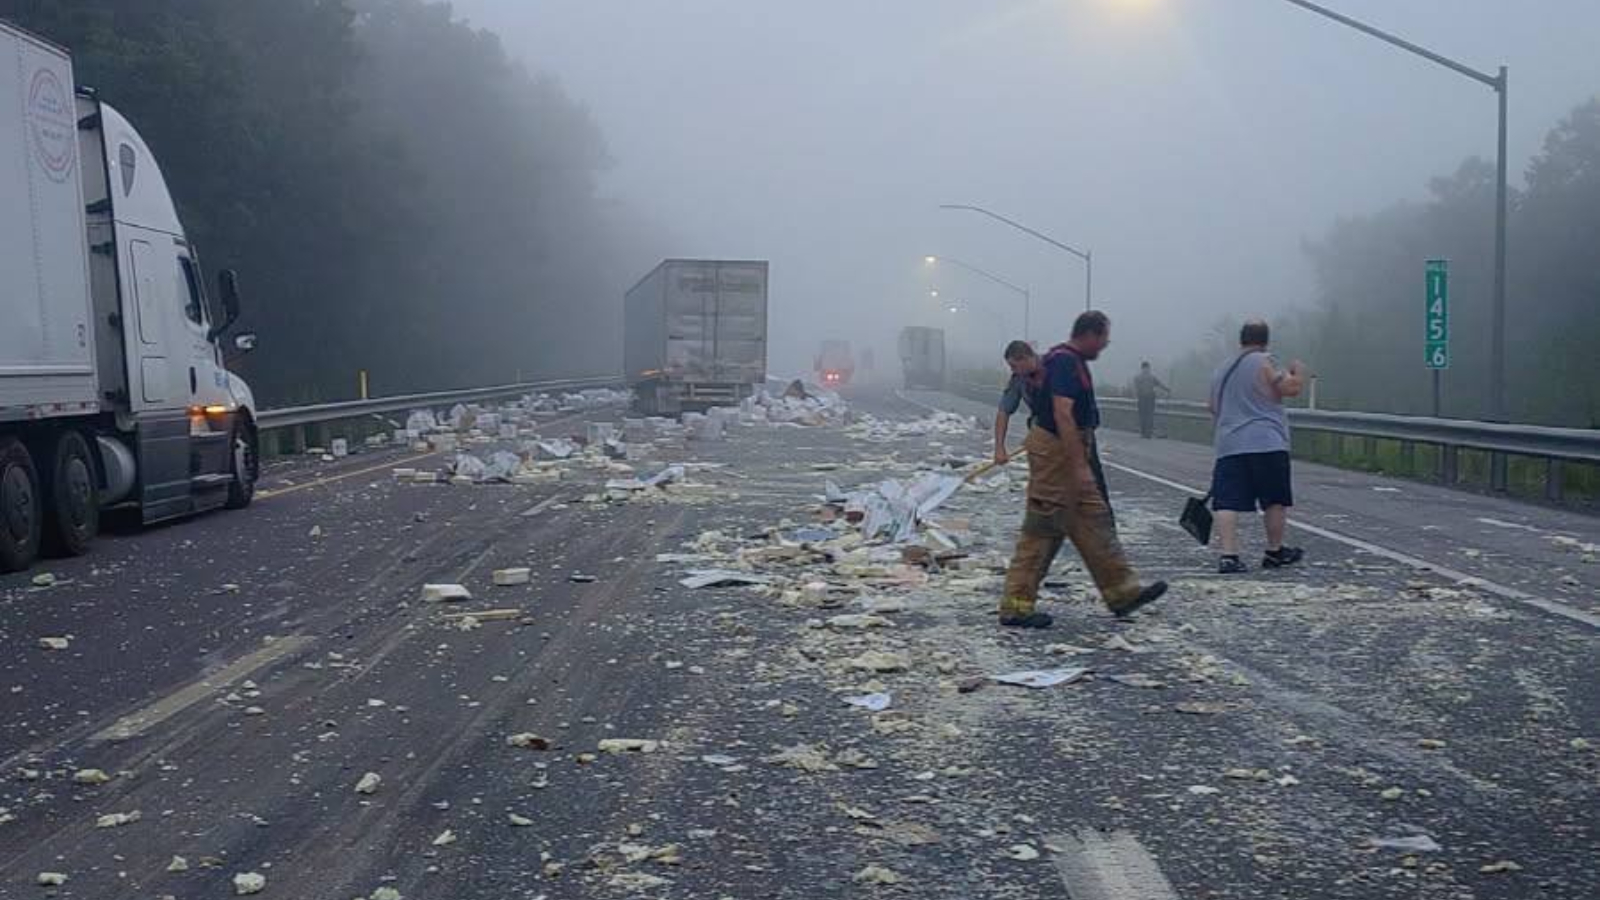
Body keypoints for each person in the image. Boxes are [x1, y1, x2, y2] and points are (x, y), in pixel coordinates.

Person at [998, 311, 1168, 629]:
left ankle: (1122, 593)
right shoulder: (1064, 361)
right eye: (1103, 338)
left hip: (1069, 449)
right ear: (1089, 334)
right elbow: (1063, 413)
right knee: (1043, 529)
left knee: (1093, 521)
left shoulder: (1067, 360)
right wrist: (1079, 466)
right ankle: (1016, 606)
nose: (1104, 345)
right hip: (1056, 453)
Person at [1208, 319, 1307, 574]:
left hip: (1229, 443)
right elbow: (1289, 388)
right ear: (1265, 340)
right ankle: (1274, 551)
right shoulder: (1266, 361)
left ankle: (1229, 556)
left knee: (1226, 501)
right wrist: (1298, 372)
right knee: (1274, 499)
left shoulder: (1222, 368)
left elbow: (1212, 407)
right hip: (1266, 442)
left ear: (1241, 339)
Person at [994, 340, 1040, 465]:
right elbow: (1003, 411)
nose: (1012, 370)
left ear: (1025, 358)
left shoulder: (1054, 368)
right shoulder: (1019, 378)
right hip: (1040, 433)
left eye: (1014, 366)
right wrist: (999, 447)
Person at [1132, 361, 1171, 439]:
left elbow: (1159, 384)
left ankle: (1146, 433)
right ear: (1145, 368)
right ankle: (1146, 433)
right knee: (1146, 416)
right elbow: (1160, 384)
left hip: (1146, 398)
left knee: (1146, 416)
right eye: (1146, 368)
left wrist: (1167, 389)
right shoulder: (1149, 377)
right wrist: (1167, 389)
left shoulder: (1141, 377)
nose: (1146, 370)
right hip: (1146, 398)